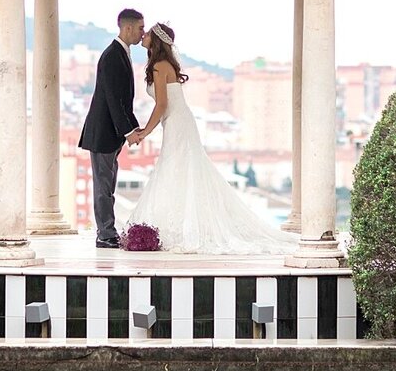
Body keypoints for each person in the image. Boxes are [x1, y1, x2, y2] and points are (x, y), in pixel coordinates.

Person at [127, 23, 296, 255]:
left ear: (156, 41)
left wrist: (145, 131)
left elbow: (162, 103)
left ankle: (175, 227)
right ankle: (173, 225)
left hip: (177, 123)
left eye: (148, 33)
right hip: (178, 122)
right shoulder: (163, 64)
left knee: (174, 168)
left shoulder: (159, 66)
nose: (143, 35)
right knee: (179, 170)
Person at [79, 8, 144, 249]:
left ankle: (108, 231)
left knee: (108, 185)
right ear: (127, 28)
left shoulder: (120, 54)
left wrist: (133, 128)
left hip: (111, 133)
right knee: (103, 187)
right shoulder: (112, 56)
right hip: (103, 133)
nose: (142, 33)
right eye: (140, 28)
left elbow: (123, 101)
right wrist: (129, 133)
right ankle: (105, 234)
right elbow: (113, 98)